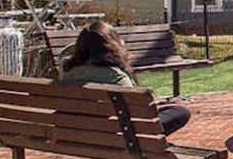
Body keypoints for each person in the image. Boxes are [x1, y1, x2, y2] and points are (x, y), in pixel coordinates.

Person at [56, 20, 192, 139]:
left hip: (82, 130)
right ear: (111, 46)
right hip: (119, 136)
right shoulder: (117, 78)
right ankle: (143, 157)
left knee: (158, 111)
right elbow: (140, 112)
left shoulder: (67, 70)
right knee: (180, 112)